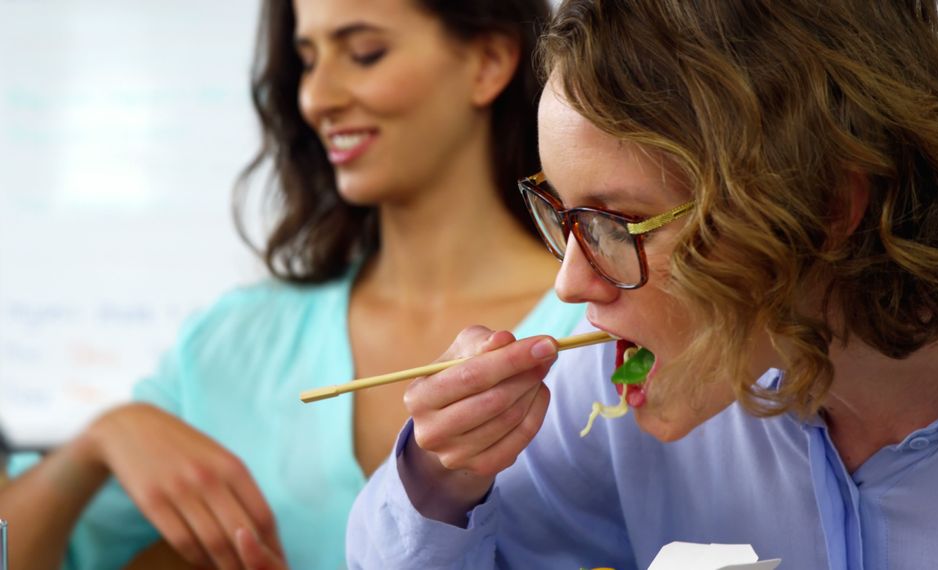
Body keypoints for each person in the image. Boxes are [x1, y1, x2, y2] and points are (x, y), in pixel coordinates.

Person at [347, 0, 938, 568]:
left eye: (618, 224)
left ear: (825, 209)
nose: (570, 283)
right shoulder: (621, 377)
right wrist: (445, 477)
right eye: (562, 216)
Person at [0, 0, 583, 568]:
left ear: (487, 62)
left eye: (364, 53)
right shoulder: (232, 343)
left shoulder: (598, 325)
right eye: (307, 60)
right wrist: (96, 445)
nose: (316, 98)